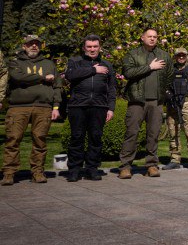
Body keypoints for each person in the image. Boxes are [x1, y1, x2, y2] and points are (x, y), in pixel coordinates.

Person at [2, 35, 61, 185]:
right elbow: (18, 77)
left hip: (43, 107)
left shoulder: (49, 64)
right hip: (18, 107)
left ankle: (37, 172)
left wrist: (56, 106)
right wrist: (42, 78)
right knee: (13, 139)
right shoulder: (15, 62)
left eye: (37, 44)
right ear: (24, 46)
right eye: (30, 44)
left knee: (40, 140)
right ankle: (9, 173)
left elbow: (57, 86)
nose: (34, 46)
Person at [63, 34, 117, 181]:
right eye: (89, 47)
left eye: (95, 46)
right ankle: (74, 169)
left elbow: (111, 89)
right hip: (78, 106)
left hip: (99, 106)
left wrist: (111, 108)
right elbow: (70, 76)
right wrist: (94, 70)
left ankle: (92, 169)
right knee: (77, 137)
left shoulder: (107, 65)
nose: (92, 49)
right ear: (84, 48)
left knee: (95, 138)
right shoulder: (75, 61)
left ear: (100, 48)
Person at [121, 27, 172, 178]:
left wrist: (163, 92)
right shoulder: (133, 54)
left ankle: (151, 165)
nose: (152, 39)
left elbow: (169, 75)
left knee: (153, 134)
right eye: (149, 36)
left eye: (155, 37)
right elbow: (128, 73)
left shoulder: (164, 55)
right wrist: (149, 67)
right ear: (142, 38)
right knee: (132, 133)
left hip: (156, 102)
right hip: (137, 101)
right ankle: (125, 167)